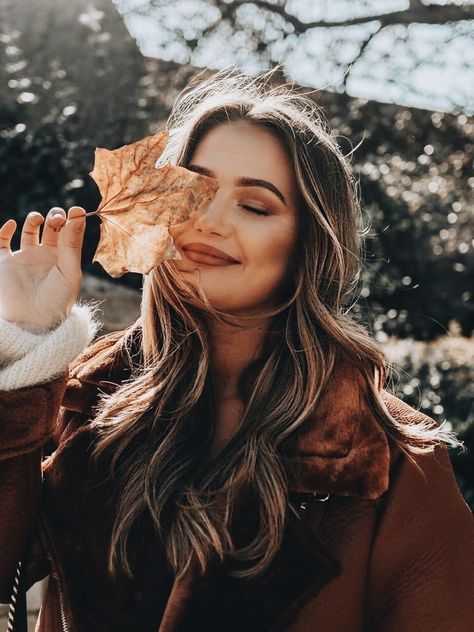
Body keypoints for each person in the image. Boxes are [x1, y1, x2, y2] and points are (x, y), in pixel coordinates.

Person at [0, 67, 473, 632]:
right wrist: (23, 343)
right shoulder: (79, 403)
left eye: (255, 205)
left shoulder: (392, 464)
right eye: (191, 188)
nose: (209, 219)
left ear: (308, 244)